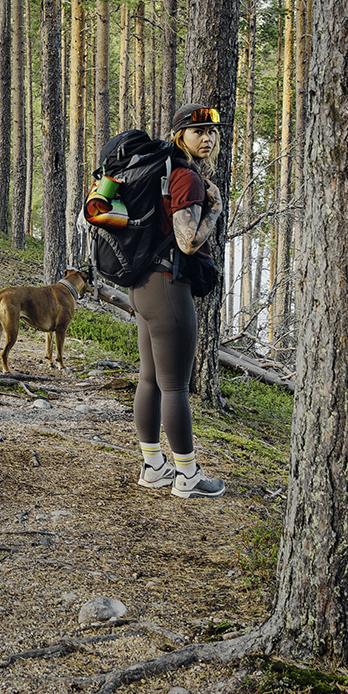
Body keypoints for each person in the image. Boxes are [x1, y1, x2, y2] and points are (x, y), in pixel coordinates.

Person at [133, 105, 226, 499]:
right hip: (169, 286)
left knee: (151, 379)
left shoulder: (162, 172)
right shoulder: (185, 177)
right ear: (179, 136)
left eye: (211, 132)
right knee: (175, 386)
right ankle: (187, 476)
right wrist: (215, 210)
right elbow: (188, 239)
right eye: (197, 132)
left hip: (142, 285)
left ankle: (154, 466)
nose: (207, 138)